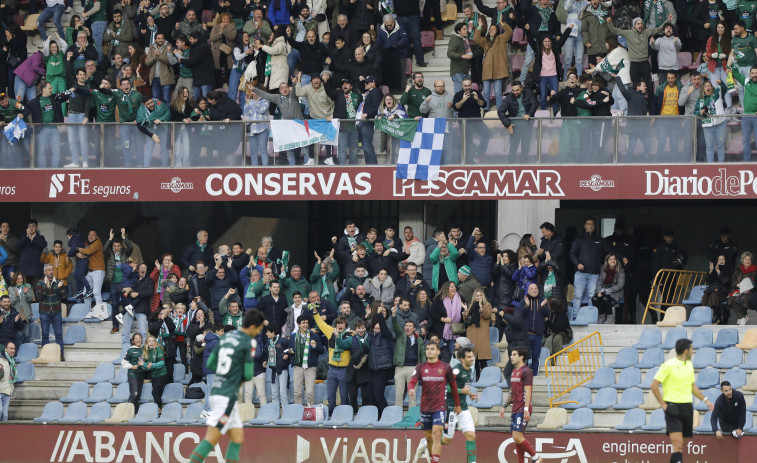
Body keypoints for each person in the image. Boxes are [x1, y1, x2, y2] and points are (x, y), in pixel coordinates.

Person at [188, 309, 265, 463]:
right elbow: (248, 375)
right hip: (226, 395)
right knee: (213, 437)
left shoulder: (225, 339)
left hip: (217, 391)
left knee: (237, 437)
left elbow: (210, 363)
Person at [651, 339, 714, 463]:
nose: (692, 351)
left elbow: (692, 386)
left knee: (680, 445)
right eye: (691, 349)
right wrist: (663, 404)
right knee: (678, 444)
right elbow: (654, 385)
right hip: (672, 406)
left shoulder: (689, 365)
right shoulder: (668, 365)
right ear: (686, 351)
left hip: (687, 407)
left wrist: (705, 399)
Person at [407, 341, 461, 463]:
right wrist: (411, 389)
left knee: (437, 433)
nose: (429, 351)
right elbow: (412, 381)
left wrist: (457, 405)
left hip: (440, 406)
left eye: (432, 348)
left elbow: (453, 387)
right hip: (425, 407)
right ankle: (432, 459)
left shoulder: (445, 367)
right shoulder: (420, 367)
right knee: (429, 438)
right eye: (427, 349)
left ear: (438, 351)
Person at [499, 346, 542, 463]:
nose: (511, 357)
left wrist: (526, 409)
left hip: (523, 408)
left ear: (521, 357)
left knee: (517, 436)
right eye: (511, 354)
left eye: (514, 355)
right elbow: (512, 391)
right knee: (517, 438)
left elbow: (528, 391)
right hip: (515, 408)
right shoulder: (514, 372)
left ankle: (536, 457)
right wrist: (504, 406)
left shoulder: (526, 371)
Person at [312, 306, 352, 418]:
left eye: (342, 323)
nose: (340, 325)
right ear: (336, 325)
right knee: (331, 396)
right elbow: (320, 323)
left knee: (344, 396)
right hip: (332, 369)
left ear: (345, 325)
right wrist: (315, 312)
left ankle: (346, 416)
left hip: (344, 370)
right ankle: (331, 416)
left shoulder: (350, 335)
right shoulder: (331, 332)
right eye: (338, 323)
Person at [569, 218, 607, 320]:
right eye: (588, 224)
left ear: (594, 226)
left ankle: (590, 317)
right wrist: (577, 264)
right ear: (585, 226)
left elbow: (605, 254)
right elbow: (572, 254)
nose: (590, 226)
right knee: (578, 296)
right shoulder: (579, 239)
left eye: (592, 224)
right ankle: (575, 317)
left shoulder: (599, 239)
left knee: (592, 296)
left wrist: (601, 264)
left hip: (594, 273)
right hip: (580, 273)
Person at [391, 304, 426, 408]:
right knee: (398, 394)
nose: (407, 327)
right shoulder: (401, 335)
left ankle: (411, 417)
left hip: (413, 368)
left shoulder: (419, 340)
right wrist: (393, 314)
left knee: (412, 394)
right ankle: (397, 416)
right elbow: (395, 325)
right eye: (406, 326)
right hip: (400, 368)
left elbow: (422, 354)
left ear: (414, 328)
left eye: (410, 326)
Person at [498, 81, 538, 162]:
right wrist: (508, 124)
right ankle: (511, 168)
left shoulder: (528, 93)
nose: (515, 92)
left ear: (522, 89)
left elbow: (534, 104)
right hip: (514, 127)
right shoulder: (509, 98)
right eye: (513, 90)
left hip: (527, 126)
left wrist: (529, 114)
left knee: (525, 148)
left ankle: (523, 167)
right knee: (513, 149)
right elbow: (500, 111)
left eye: (517, 90)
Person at [34, 264, 67, 360]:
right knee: (45, 334)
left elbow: (64, 296)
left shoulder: (58, 282)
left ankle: (60, 355)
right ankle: (45, 355)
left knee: (59, 334)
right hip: (44, 312)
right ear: (45, 272)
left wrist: (60, 288)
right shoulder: (40, 283)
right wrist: (50, 288)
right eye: (49, 270)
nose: (51, 271)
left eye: (52, 270)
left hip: (56, 312)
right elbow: (39, 297)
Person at [290, 314, 324, 406]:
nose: (305, 325)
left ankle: (310, 413)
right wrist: (289, 352)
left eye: (306, 323)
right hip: (298, 366)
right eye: (303, 323)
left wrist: (315, 347)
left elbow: (321, 350)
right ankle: (297, 413)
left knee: (310, 393)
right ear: (298, 324)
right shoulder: (293, 337)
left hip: (310, 367)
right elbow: (290, 349)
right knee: (297, 393)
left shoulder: (314, 336)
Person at [695, 80, 729, 163]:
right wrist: (700, 112)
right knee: (709, 146)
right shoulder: (700, 100)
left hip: (720, 123)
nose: (707, 87)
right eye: (706, 86)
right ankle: (710, 165)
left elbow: (724, 88)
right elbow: (695, 111)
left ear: (712, 87)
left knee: (720, 145)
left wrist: (721, 83)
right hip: (707, 125)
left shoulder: (717, 94)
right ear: (703, 89)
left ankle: (721, 164)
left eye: (709, 86)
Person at [462, 288, 492, 375]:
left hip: (482, 334)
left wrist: (481, 308)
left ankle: (485, 378)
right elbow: (466, 318)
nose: (479, 297)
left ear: (483, 296)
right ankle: (477, 377)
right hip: (472, 333)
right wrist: (465, 309)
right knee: (474, 359)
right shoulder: (471, 305)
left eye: (480, 295)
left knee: (483, 360)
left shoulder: (487, 305)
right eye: (477, 295)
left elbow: (487, 315)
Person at [592, 253, 626, 324]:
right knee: (594, 299)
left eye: (614, 259)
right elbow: (600, 282)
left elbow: (620, 285)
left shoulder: (620, 269)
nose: (612, 261)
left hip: (615, 291)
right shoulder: (603, 269)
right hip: (604, 290)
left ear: (616, 260)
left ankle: (610, 316)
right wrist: (598, 291)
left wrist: (608, 290)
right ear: (607, 261)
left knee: (605, 299)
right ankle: (602, 316)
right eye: (610, 259)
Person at [264, 323, 290, 409]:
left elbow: (290, 351)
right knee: (274, 394)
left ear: (273, 332)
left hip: (282, 370)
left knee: (283, 393)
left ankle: (286, 413)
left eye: (268, 332)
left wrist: (287, 356)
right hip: (273, 371)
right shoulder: (268, 344)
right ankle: (275, 413)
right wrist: (265, 361)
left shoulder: (283, 341)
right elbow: (265, 355)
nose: (266, 334)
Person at [703, 255, 732, 324]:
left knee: (714, 294)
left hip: (723, 293)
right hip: (714, 291)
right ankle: (705, 316)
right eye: (720, 259)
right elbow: (707, 281)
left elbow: (725, 281)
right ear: (717, 261)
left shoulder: (728, 269)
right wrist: (710, 271)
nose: (721, 261)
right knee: (705, 297)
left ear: (725, 261)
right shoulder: (714, 270)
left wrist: (719, 272)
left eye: (723, 259)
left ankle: (716, 316)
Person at [121, 333, 145, 411]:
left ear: (142, 339)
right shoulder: (130, 350)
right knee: (134, 393)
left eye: (139, 338)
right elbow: (123, 363)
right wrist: (131, 366)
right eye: (136, 339)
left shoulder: (144, 349)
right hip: (132, 374)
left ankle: (135, 412)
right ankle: (127, 411)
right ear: (133, 341)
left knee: (138, 395)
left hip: (141, 375)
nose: (138, 340)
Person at [0, 342, 16, 421]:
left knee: (5, 416)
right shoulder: (0, 359)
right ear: (5, 349)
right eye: (11, 348)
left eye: (14, 348)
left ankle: (3, 433)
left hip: (7, 391)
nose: (13, 350)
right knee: (0, 411)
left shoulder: (13, 361)